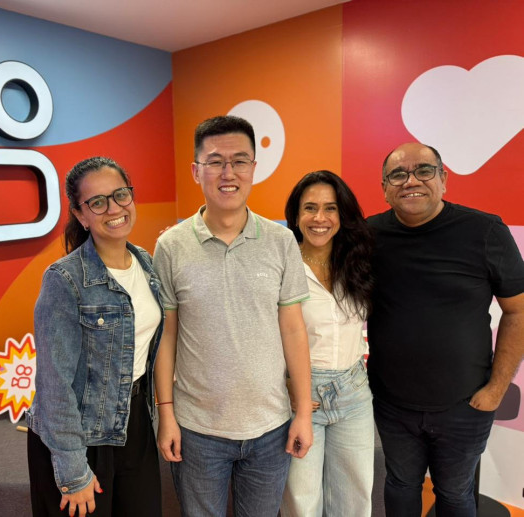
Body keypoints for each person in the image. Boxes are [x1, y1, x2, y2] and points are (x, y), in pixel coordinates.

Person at [152, 115, 313, 517]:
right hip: (196, 429)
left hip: (270, 427)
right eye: (215, 161)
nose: (229, 173)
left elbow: (293, 330)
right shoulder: (170, 246)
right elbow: (166, 336)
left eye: (240, 161)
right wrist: (166, 413)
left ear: (253, 168)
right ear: (196, 171)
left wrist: (303, 413)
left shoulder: (280, 241)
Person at [367, 142, 524, 516]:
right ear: (385, 188)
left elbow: (518, 312)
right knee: (400, 485)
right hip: (392, 404)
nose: (411, 181)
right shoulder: (367, 235)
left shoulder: (485, 231)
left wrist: (496, 389)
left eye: (424, 170)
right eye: (398, 174)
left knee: (454, 494)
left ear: (443, 179)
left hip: (465, 405)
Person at [26, 157, 164, 517]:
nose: (114, 209)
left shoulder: (146, 263)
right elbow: (54, 384)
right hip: (79, 435)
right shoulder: (64, 279)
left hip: (134, 423)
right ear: (81, 215)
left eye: (120, 195)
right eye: (98, 202)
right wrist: (73, 470)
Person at [280, 170, 375, 517]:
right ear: (296, 216)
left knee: (355, 499)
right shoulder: (282, 264)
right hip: (301, 394)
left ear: (342, 214)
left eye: (330, 208)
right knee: (301, 502)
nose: (320, 218)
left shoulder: (357, 261)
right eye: (310, 208)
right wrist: (286, 384)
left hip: (354, 392)